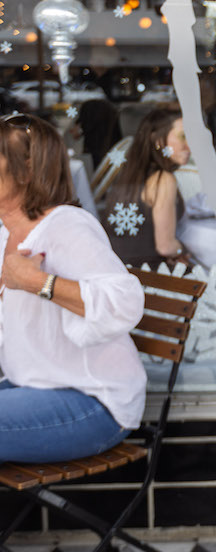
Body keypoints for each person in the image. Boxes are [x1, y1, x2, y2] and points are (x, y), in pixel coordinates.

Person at [0, 112, 146, 462]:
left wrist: (36, 281)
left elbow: (123, 303)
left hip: (92, 399)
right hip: (33, 384)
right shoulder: (4, 231)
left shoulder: (67, 226)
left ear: (27, 169)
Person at [102, 108, 193, 269]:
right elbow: (165, 246)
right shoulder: (163, 179)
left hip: (120, 271)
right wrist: (183, 250)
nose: (189, 146)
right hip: (150, 278)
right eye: (182, 136)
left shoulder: (130, 175)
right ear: (158, 140)